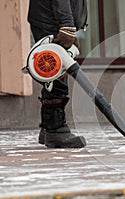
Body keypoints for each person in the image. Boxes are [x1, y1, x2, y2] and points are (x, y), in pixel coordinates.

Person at [27, 0, 88, 148]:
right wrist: (66, 24)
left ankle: (48, 127)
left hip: (52, 19)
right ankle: (56, 130)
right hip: (51, 20)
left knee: (54, 74)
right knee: (55, 74)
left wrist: (70, 26)